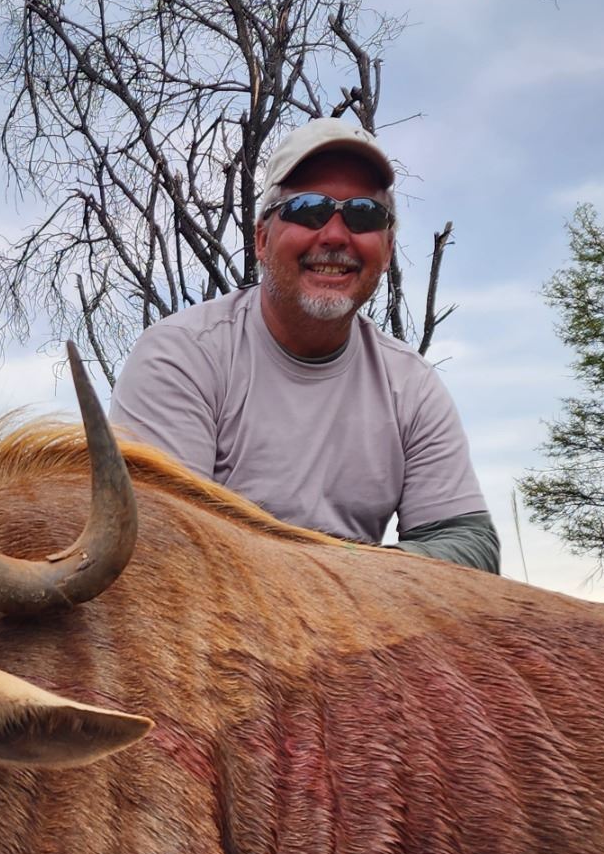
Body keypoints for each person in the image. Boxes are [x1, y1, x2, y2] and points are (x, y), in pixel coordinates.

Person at [108, 117, 501, 573]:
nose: (334, 235)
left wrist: (345, 573)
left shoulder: (411, 384)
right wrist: (344, 576)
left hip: (359, 609)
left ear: (388, 250)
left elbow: (471, 545)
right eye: (308, 209)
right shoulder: (180, 355)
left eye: (364, 215)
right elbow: (164, 548)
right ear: (261, 239)